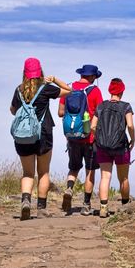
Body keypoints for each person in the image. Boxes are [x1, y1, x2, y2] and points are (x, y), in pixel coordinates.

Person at [9, 57, 71, 220]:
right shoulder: (45, 88)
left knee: (28, 173)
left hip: (23, 136)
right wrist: (54, 79)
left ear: (24, 73)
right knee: (43, 172)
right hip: (43, 134)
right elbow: (68, 91)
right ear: (40, 72)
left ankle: (26, 201)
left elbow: (13, 110)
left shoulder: (19, 90)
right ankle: (41, 208)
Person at [57, 64, 103, 215]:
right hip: (90, 138)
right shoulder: (95, 91)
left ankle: (69, 188)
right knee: (90, 171)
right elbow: (100, 113)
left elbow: (60, 112)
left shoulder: (68, 88)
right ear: (92, 77)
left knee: (74, 167)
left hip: (72, 137)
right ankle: (86, 205)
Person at [91, 77, 134, 218]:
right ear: (122, 91)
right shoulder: (126, 106)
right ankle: (126, 207)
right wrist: (133, 139)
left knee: (105, 176)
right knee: (123, 178)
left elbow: (92, 126)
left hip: (103, 145)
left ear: (110, 90)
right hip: (121, 146)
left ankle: (103, 207)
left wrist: (98, 137)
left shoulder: (101, 106)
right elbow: (130, 125)